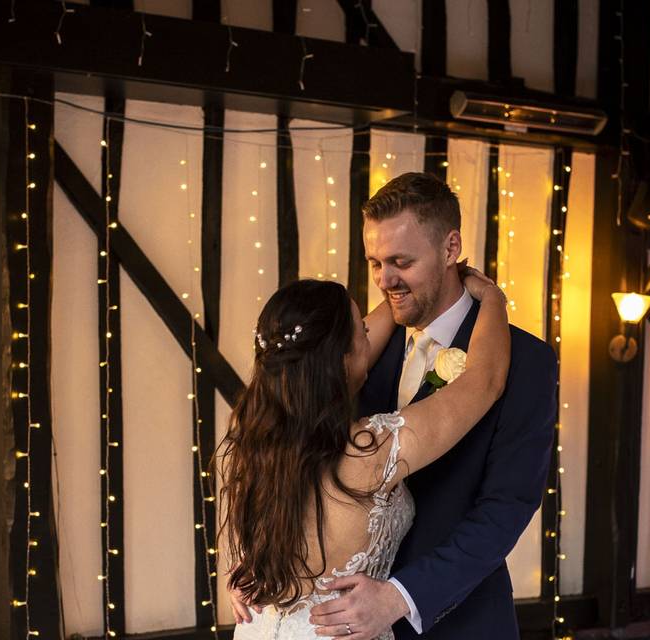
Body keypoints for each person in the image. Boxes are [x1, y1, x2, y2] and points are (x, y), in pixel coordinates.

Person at [226, 172, 558, 640]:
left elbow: (506, 509)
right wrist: (261, 558)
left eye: (401, 261)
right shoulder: (359, 349)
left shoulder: (527, 361)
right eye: (375, 262)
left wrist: (402, 595)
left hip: (454, 622)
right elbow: (295, 462)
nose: (384, 280)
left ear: (450, 249)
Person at [217, 260, 510, 640]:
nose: (370, 338)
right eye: (362, 332)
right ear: (340, 358)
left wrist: (401, 290)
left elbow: (318, 361)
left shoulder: (249, 445)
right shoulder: (369, 452)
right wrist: (493, 298)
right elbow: (484, 381)